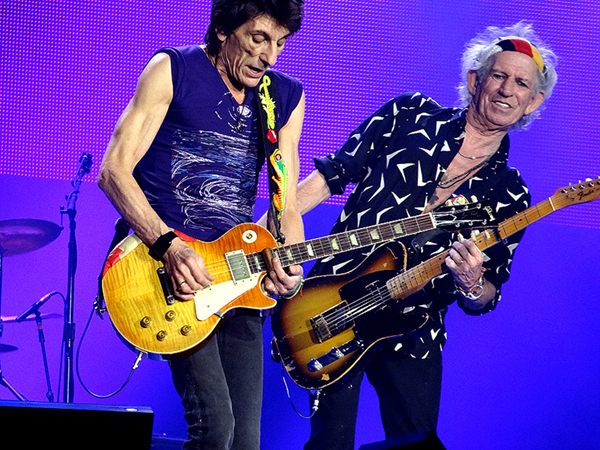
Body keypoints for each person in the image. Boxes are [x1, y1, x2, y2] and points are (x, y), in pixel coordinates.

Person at [292, 22, 557, 449]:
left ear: (533, 102)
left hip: (414, 325)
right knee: (330, 443)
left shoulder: (511, 192)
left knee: (416, 444)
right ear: (475, 80)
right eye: (499, 75)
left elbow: (489, 295)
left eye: (521, 83)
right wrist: (276, 229)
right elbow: (333, 173)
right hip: (334, 300)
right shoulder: (408, 113)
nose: (507, 89)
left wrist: (471, 283)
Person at [97, 1, 305, 449]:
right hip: (167, 272)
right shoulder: (172, 68)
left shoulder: (285, 96)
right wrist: (169, 246)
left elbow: (285, 201)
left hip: (240, 277)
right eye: (258, 38)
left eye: (281, 43)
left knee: (246, 441)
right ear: (224, 28)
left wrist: (291, 263)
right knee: (215, 428)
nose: (270, 55)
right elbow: (114, 169)